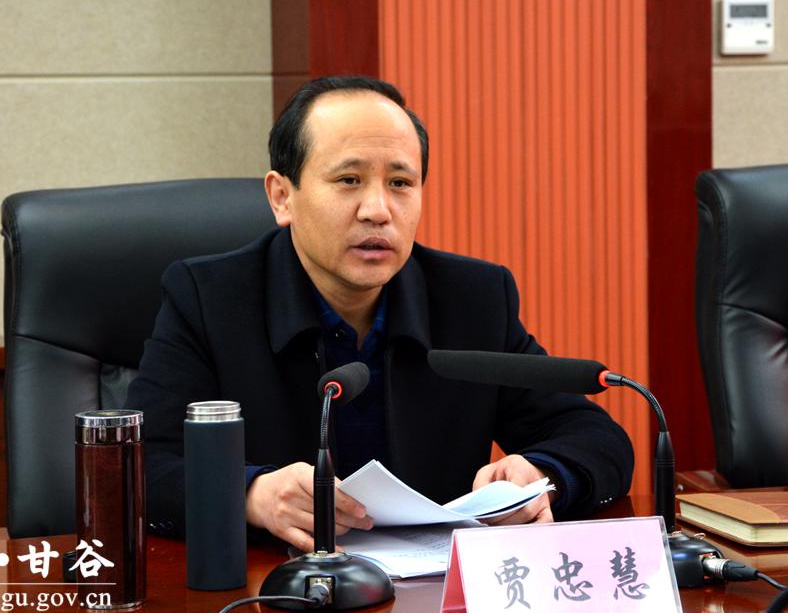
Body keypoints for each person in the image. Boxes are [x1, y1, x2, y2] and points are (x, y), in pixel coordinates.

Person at [126, 76, 634, 551]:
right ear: (282, 197)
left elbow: (597, 438)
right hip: (275, 584)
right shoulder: (209, 298)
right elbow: (139, 464)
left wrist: (542, 476)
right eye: (349, 180)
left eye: (400, 183)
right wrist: (249, 494)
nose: (378, 210)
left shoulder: (473, 298)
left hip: (431, 587)